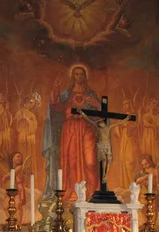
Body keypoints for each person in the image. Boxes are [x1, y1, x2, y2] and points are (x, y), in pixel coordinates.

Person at [50, 66, 100, 200]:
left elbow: (101, 115)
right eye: (76, 74)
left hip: (86, 128)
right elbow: (56, 107)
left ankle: (93, 192)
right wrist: (55, 91)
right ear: (73, 76)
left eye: (81, 74)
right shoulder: (66, 93)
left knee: (90, 162)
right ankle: (73, 193)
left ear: (85, 76)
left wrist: (97, 105)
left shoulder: (91, 94)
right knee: (72, 161)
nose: (79, 76)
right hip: (71, 129)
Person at [78, 110, 130, 185]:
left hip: (107, 145)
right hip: (101, 145)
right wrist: (82, 113)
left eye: (101, 123)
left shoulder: (108, 127)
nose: (100, 124)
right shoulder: (98, 128)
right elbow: (89, 120)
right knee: (104, 160)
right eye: (99, 123)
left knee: (109, 160)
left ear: (104, 123)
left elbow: (118, 123)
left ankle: (106, 175)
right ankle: (103, 175)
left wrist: (126, 119)